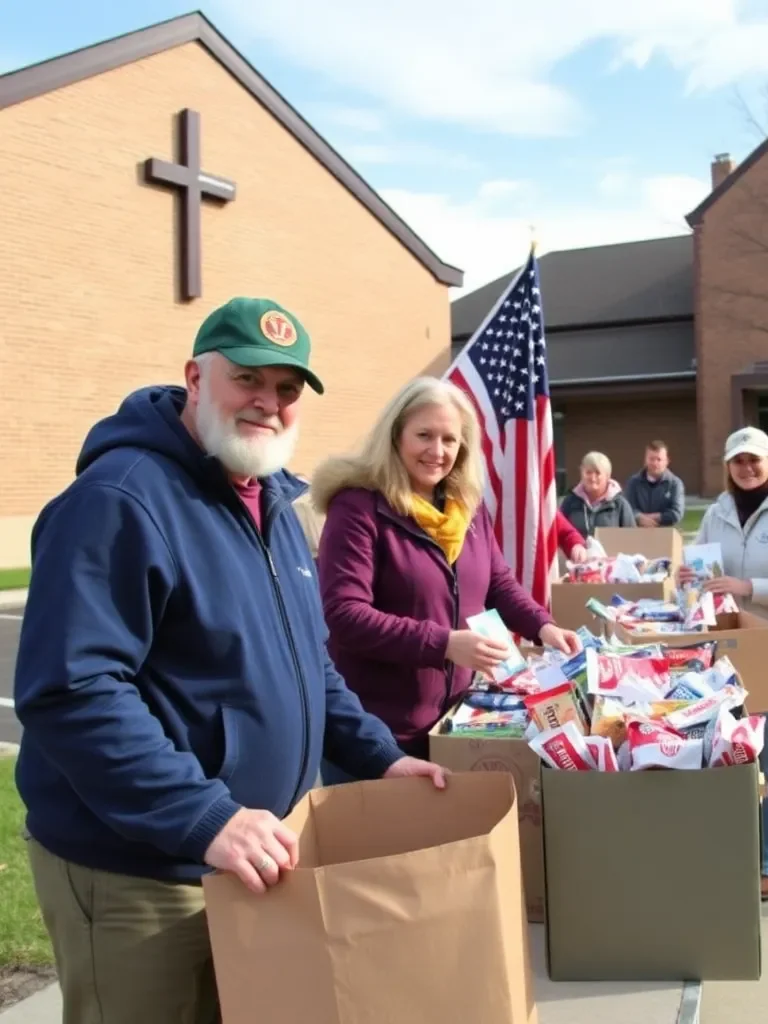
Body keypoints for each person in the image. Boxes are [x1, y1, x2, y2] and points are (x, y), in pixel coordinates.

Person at [13, 297, 445, 1024]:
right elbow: (74, 691)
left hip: (245, 859)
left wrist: (381, 757)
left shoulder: (274, 504)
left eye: (287, 390)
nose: (268, 404)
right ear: (195, 377)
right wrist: (206, 814)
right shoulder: (119, 500)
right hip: (142, 877)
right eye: (248, 379)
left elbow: (311, 666)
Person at [312, 376, 581, 779]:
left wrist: (543, 627)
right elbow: (345, 615)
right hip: (375, 736)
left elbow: (498, 583)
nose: (437, 451)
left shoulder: (468, 509)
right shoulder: (358, 508)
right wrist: (445, 644)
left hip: (452, 723)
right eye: (424, 435)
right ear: (396, 436)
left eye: (449, 440)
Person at [678, 427, 768, 901]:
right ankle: (741, 851)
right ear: (728, 466)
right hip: (729, 659)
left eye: (754, 461)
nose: (746, 469)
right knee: (734, 758)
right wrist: (688, 577)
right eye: (738, 461)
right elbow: (704, 577)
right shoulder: (717, 513)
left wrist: (748, 588)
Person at [559, 451, 636, 538]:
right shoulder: (570, 502)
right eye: (588, 472)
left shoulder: (620, 504)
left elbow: (631, 538)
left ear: (607, 476)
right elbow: (559, 532)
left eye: (597, 473)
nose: (592, 478)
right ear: (581, 474)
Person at [624, 440, 685, 528]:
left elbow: (676, 513)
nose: (655, 463)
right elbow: (627, 510)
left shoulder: (675, 484)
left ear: (666, 461)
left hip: (666, 534)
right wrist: (639, 518)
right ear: (645, 460)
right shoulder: (633, 482)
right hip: (638, 534)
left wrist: (653, 518)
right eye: (651, 459)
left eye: (659, 459)